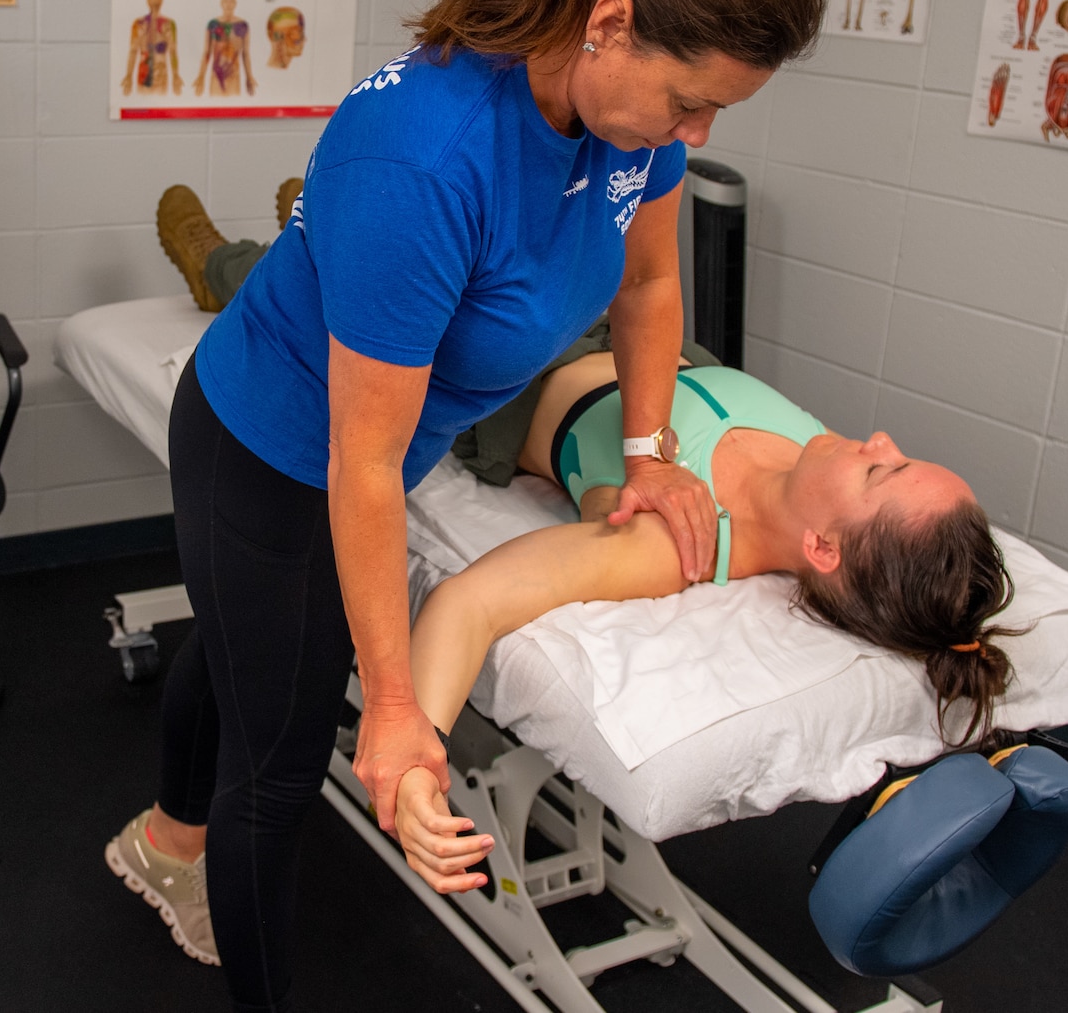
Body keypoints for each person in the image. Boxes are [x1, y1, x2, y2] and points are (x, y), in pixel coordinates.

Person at [104, 0, 825, 1011]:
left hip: (374, 439)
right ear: (608, 24)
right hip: (266, 442)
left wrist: (646, 454)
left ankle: (164, 839)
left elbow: (650, 288)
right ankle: (202, 884)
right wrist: (392, 707)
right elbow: (365, 459)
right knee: (281, 768)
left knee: (245, 662)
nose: (697, 136)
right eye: (689, 100)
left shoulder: (630, 134)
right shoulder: (422, 159)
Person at [388, 350, 1016, 894]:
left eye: (881, 470)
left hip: (513, 365)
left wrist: (417, 762)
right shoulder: (818, 467)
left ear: (824, 549)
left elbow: (470, 603)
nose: (877, 440)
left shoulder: (668, 539)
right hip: (625, 328)